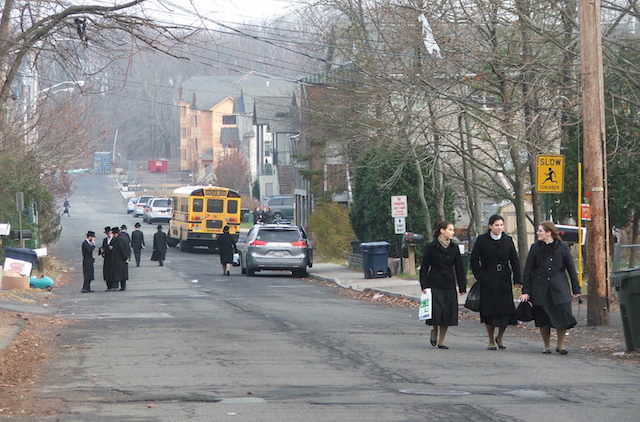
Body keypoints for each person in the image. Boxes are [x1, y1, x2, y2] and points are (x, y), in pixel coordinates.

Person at [519, 221, 581, 355]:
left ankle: (561, 345)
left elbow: (571, 269)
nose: (538, 233)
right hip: (540, 287)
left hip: (559, 287)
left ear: (549, 233)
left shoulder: (562, 247)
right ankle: (546, 345)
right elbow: (528, 270)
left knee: (562, 314)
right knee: (542, 318)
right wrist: (526, 291)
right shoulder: (535, 248)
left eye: (540, 231)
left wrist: (576, 289)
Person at [470, 214, 521, 350]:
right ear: (490, 226)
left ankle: (500, 337)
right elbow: (474, 259)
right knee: (489, 311)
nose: (499, 228)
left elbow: (514, 261)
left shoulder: (508, 240)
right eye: (496, 225)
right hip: (488, 279)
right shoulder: (482, 240)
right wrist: (479, 275)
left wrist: (517, 279)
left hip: (504, 278)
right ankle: (491, 339)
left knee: (506, 310)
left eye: (501, 225)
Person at [419, 220, 467, 349]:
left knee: (447, 313)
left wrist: (462, 286)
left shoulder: (454, 247)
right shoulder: (431, 247)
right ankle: (434, 330)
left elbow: (459, 268)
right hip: (434, 282)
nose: (452, 232)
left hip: (449, 283)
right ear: (442, 230)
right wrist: (424, 285)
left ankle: (441, 341)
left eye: (453, 230)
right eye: (450, 229)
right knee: (437, 312)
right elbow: (424, 268)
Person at [110, 226, 130, 291]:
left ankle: (116, 286)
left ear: (115, 233)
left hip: (119, 259)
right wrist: (128, 257)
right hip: (125, 258)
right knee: (123, 273)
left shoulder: (118, 239)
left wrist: (124, 257)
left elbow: (121, 249)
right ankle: (123, 286)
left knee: (118, 273)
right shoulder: (125, 238)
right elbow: (128, 249)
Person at [98, 226, 114, 291]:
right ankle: (108, 285)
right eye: (107, 233)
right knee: (106, 272)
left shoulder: (115, 239)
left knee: (112, 271)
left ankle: (113, 285)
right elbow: (103, 247)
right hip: (107, 258)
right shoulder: (105, 240)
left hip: (113, 258)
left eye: (110, 233)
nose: (109, 234)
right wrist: (102, 251)